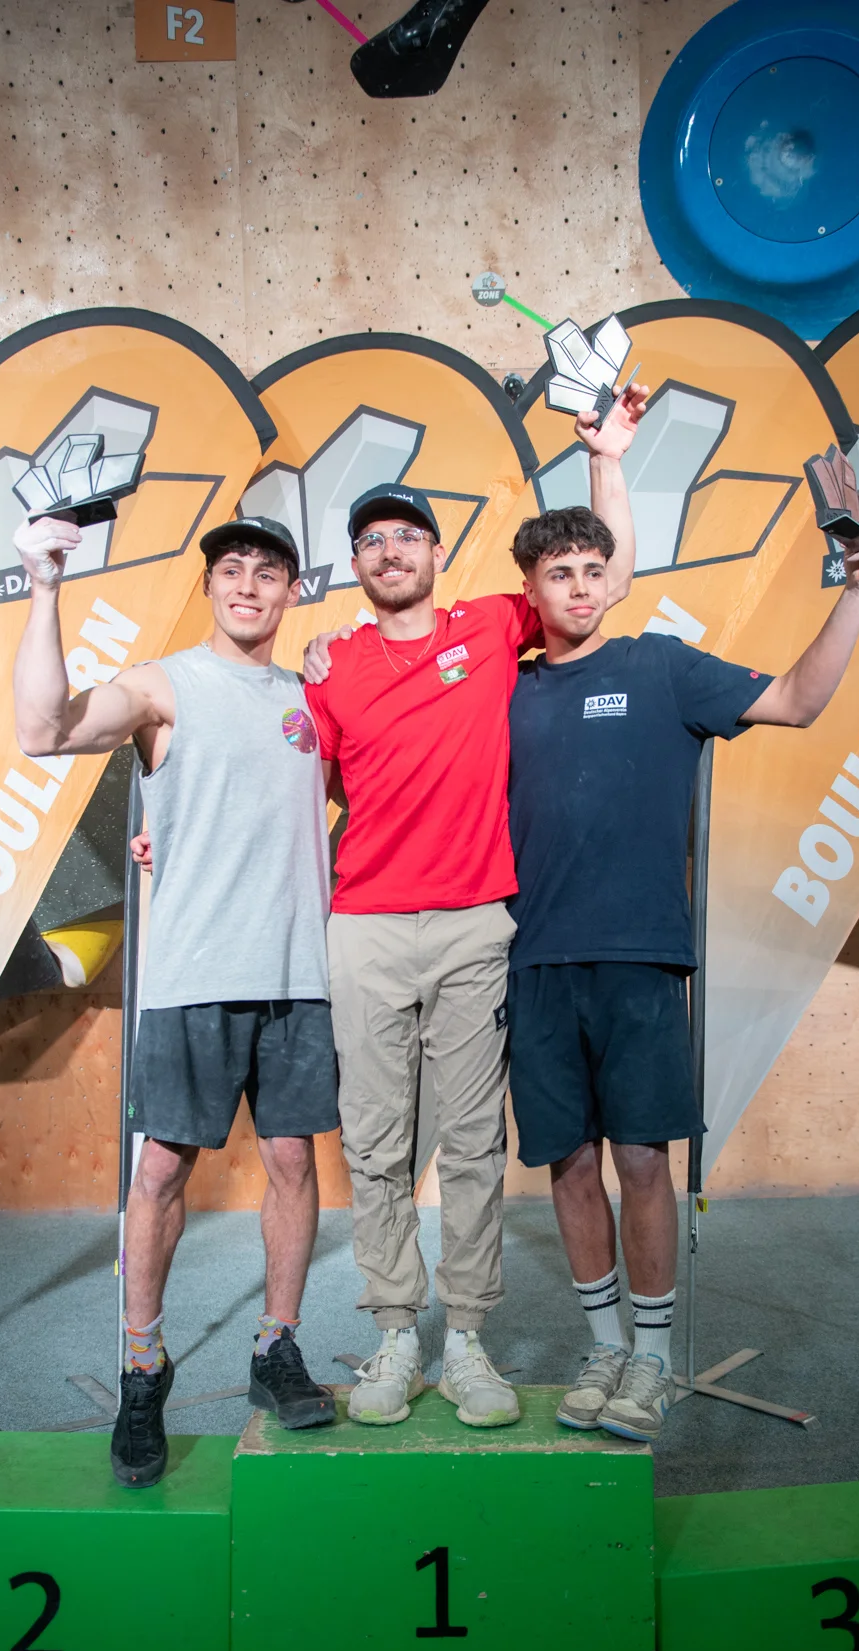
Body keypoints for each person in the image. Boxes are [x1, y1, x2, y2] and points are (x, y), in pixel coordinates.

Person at [505, 504, 859, 1442]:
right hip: (534, 960)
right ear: (531, 588)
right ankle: (605, 1348)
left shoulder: (661, 667)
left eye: (594, 569)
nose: (580, 587)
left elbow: (800, 698)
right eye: (559, 573)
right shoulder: (504, 691)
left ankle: (651, 1359)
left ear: (613, 578)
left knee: (642, 1159)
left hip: (640, 955)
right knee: (567, 1165)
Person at [300, 381, 648, 1429]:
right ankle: (395, 1334)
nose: (392, 552)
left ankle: (471, 1343)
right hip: (363, 924)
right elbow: (281, 802)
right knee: (372, 1141)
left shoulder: (494, 627)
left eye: (410, 537)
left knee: (470, 1143)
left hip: (475, 922)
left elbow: (607, 581)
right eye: (375, 542)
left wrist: (607, 460)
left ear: (437, 556)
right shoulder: (329, 669)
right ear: (357, 565)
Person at [12, 511, 340, 1487]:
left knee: (292, 1158)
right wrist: (42, 586)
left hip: (298, 975)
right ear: (212, 588)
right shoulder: (164, 686)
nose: (249, 585)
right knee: (159, 1171)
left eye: (269, 572)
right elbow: (43, 730)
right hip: (193, 976)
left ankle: (275, 1347)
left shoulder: (314, 694)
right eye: (232, 570)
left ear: (292, 591)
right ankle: (142, 1366)